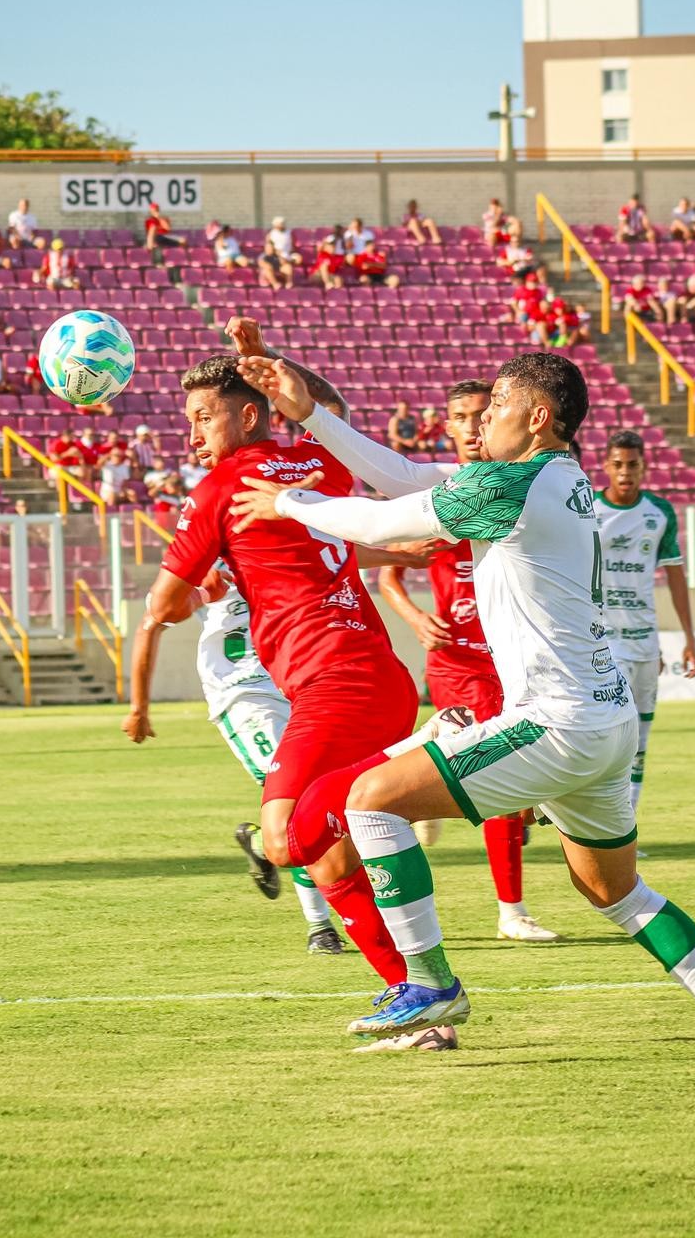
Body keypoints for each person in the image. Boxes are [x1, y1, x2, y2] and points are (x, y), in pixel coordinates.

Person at [229, 351, 695, 1052]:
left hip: (557, 721)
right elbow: (402, 476)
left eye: (496, 405)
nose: (483, 418)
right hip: (606, 719)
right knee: (616, 893)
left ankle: (432, 983)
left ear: (536, 417)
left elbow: (385, 524)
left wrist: (286, 502)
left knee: (368, 800)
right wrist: (308, 412)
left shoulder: (513, 485)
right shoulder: (556, 478)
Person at [122, 331, 437, 1038]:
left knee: (284, 836)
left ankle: (430, 977)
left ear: (250, 415)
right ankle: (418, 998)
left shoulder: (221, 489)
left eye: (205, 416)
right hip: (379, 679)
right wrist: (275, 363)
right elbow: (328, 408)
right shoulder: (323, 459)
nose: (194, 432)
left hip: (336, 686)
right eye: (191, 419)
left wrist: (195, 582)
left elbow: (163, 607)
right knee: (326, 847)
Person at [379, 380, 561, 946]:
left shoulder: (517, 488)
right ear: (450, 426)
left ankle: (415, 780)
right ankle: (512, 912)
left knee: (511, 778)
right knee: (504, 777)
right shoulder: (439, 490)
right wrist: (412, 616)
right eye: (459, 416)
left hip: (513, 660)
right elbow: (390, 569)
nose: (471, 424)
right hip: (459, 663)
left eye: (481, 413)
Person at [194, 574, 346, 955]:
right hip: (246, 697)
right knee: (298, 807)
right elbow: (162, 608)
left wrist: (396, 553)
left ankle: (261, 842)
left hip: (301, 685)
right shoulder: (206, 555)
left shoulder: (283, 548)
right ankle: (320, 926)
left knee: (333, 798)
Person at [594, 431, 695, 813]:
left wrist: (688, 637)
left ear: (645, 468)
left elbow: (675, 576)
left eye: (633, 465)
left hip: (645, 641)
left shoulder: (659, 514)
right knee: (614, 733)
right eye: (618, 465)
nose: (625, 473)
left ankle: (628, 824)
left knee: (640, 738)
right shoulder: (587, 510)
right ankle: (597, 817)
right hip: (602, 643)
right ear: (605, 467)